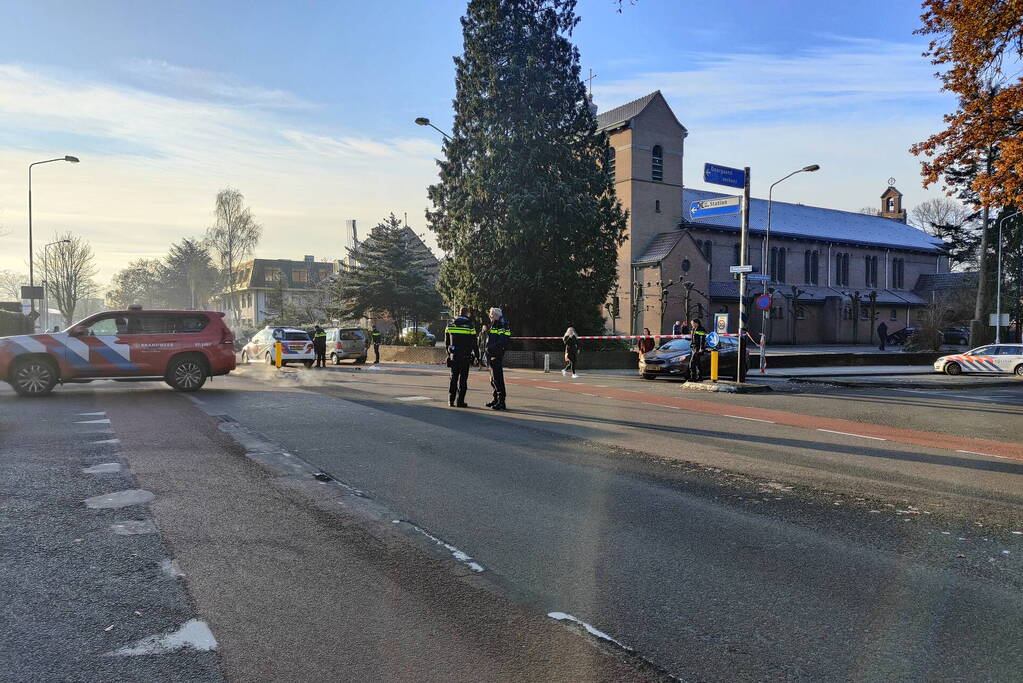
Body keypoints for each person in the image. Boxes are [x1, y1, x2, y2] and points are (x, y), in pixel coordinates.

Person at [444, 308, 478, 407]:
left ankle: (451, 400)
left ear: (459, 313)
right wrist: (477, 357)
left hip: (454, 356)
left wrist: (449, 354)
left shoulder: (450, 324)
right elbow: (474, 343)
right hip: (465, 356)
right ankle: (460, 401)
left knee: (453, 378)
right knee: (463, 379)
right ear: (467, 313)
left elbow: (446, 342)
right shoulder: (470, 326)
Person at [485, 307, 511, 410]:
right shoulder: (496, 323)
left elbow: (502, 340)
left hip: (496, 353)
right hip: (493, 353)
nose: (490, 317)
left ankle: (501, 401)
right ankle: (496, 399)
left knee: (497, 378)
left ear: (496, 315)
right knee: (493, 379)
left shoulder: (501, 324)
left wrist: (491, 349)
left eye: (491, 315)